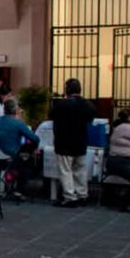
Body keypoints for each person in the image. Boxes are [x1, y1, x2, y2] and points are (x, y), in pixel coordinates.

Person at [49, 78, 97, 207]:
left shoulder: (61, 105)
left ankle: (70, 196)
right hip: (81, 141)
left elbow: (52, 116)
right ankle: (82, 194)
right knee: (80, 170)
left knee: (66, 170)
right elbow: (91, 117)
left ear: (67, 90)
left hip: (64, 142)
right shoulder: (87, 104)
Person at [0, 99, 40, 198]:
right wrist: (32, 149)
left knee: (5, 164)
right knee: (27, 162)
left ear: (4, 110)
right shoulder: (18, 123)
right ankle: (19, 189)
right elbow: (35, 139)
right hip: (10, 156)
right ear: (16, 110)